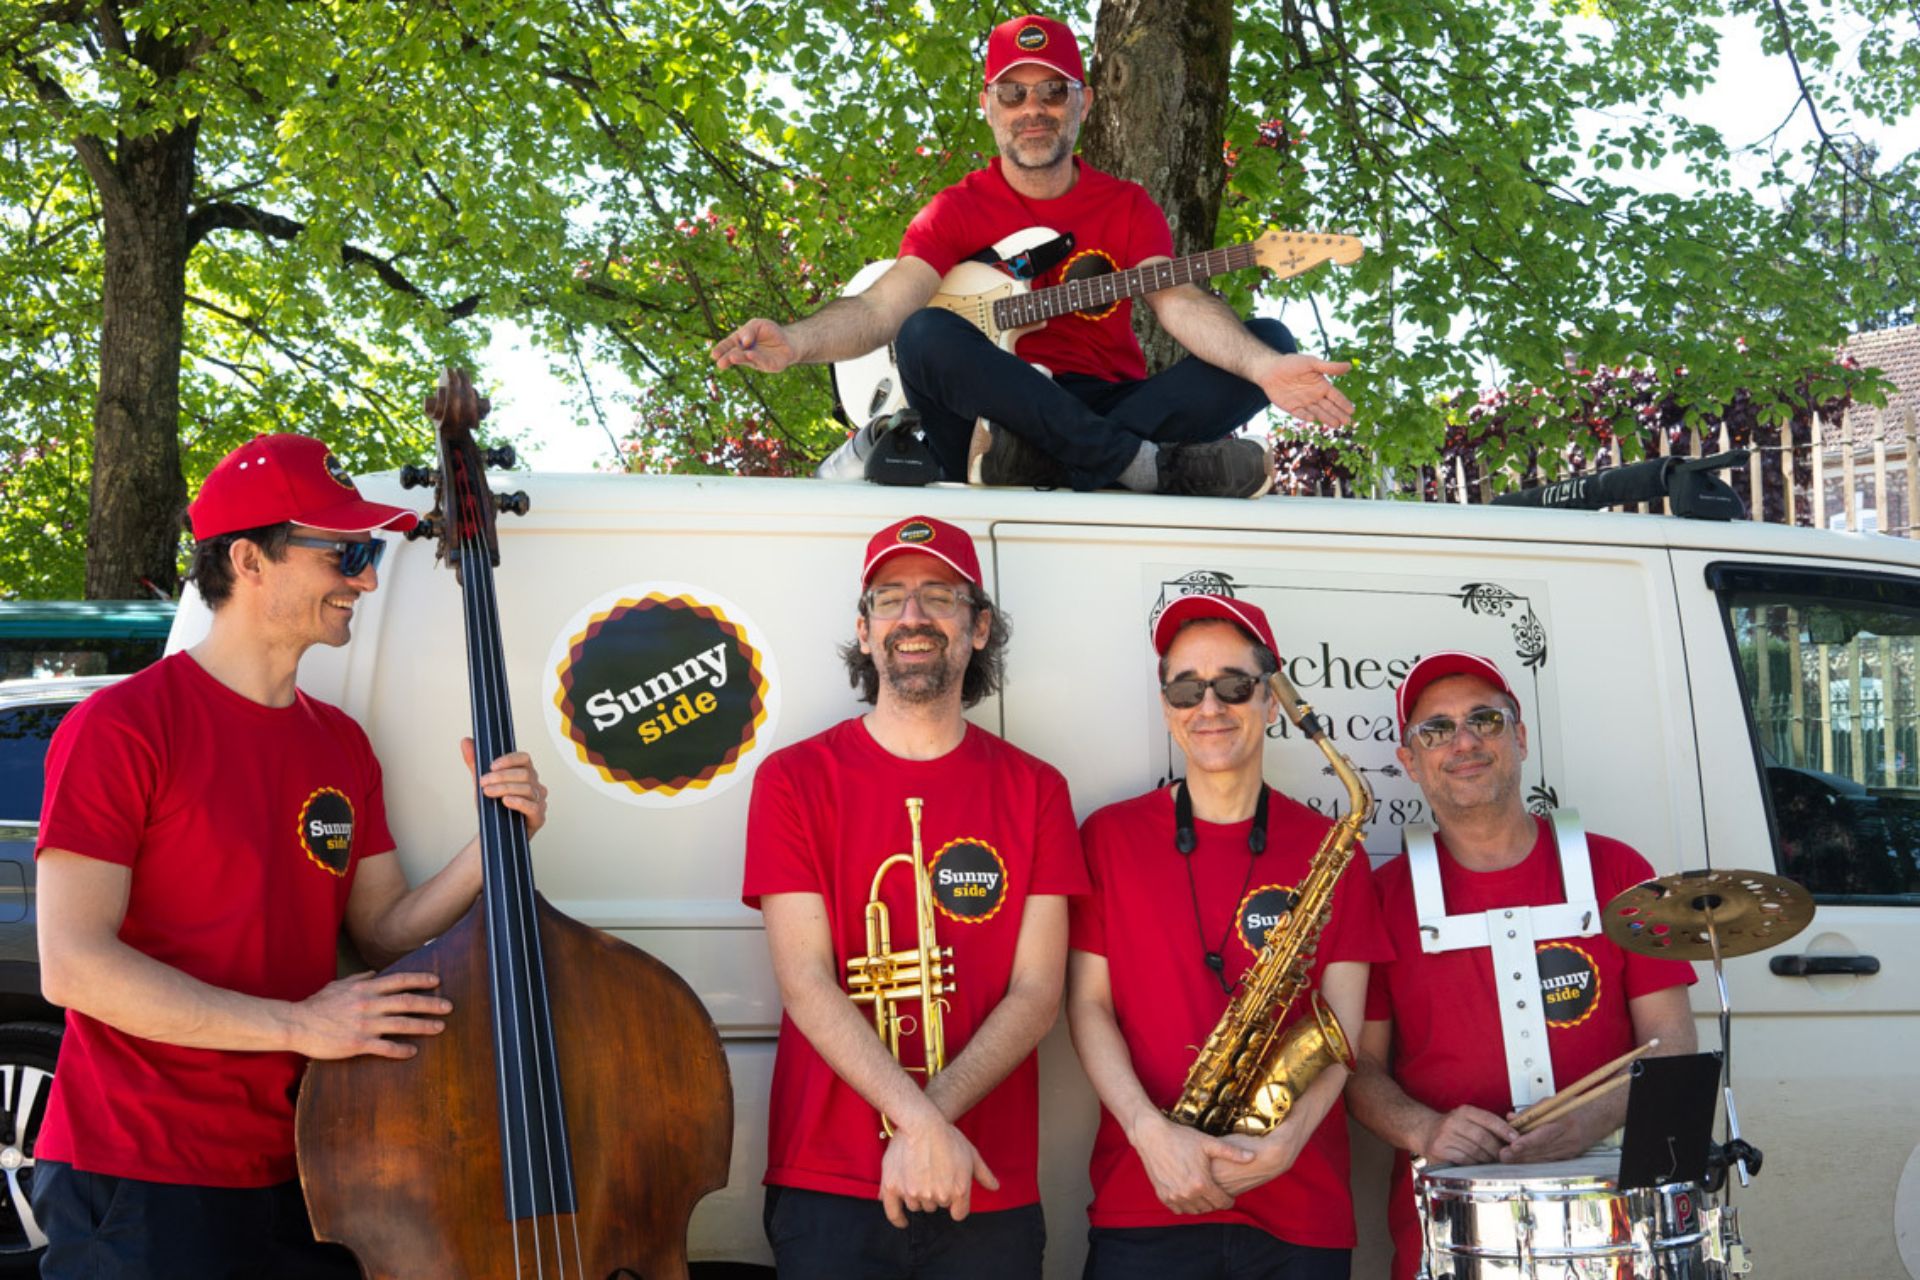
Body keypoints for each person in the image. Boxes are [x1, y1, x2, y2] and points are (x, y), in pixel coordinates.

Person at [31, 433, 550, 1280]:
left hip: (309, 1164)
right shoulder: (122, 727)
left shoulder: (340, 744)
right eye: (347, 552)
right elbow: (75, 969)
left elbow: (381, 933)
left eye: (370, 552)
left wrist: (492, 847)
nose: (369, 578)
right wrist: (304, 1025)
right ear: (249, 560)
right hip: (139, 1174)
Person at [711, 13, 1354, 500]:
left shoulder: (1127, 205)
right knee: (926, 331)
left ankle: (1061, 459)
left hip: (1102, 406)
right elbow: (883, 306)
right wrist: (795, 341)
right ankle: (1140, 467)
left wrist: (1269, 369)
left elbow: (1178, 299)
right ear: (989, 107)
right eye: (1013, 95)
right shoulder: (956, 209)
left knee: (1265, 338)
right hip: (985, 423)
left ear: (1083, 102)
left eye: (1052, 91)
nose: (1033, 110)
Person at [742, 514, 1088, 1279]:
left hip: (983, 1181)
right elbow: (805, 980)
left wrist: (928, 1128)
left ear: (978, 627)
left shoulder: (1037, 790)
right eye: (890, 598)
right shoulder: (793, 781)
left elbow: (1037, 994)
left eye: (939, 596)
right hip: (827, 1181)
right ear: (864, 631)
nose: (914, 617)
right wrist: (925, 1123)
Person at [1345, 651, 1698, 1280]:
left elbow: (1672, 1044)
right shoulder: (1381, 895)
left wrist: (1587, 1121)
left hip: (1617, 1217)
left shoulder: (1618, 872)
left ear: (1521, 737)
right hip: (1453, 1223)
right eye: (1436, 730)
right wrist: (1427, 1130)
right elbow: (1357, 1069)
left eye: (1486, 719)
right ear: (1410, 761)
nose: (1464, 742)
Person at [1067, 594, 1389, 1279]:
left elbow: (1343, 1030)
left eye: (1234, 685)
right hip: (1146, 1197)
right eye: (1186, 688)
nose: (1208, 707)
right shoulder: (1109, 838)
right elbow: (1088, 1008)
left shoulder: (1334, 848)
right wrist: (1150, 1132)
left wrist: (1289, 1141)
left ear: (1271, 700)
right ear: (1166, 707)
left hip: (1300, 1208)